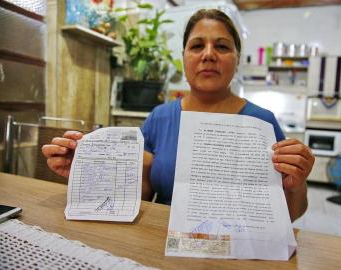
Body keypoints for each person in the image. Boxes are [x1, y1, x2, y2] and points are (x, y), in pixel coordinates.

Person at [42, 9, 314, 222]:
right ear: (184, 57)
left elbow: (290, 215)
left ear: (237, 58)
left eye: (222, 46)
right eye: (197, 46)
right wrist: (91, 171)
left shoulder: (262, 123)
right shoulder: (160, 118)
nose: (208, 55)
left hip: (239, 247)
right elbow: (141, 193)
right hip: (160, 242)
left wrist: (295, 184)